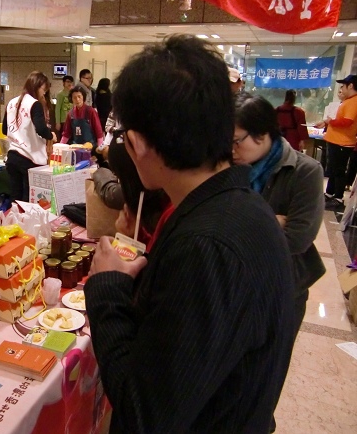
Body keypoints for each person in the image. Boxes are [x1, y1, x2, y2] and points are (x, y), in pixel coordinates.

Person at [85, 35, 295, 433]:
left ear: (137, 144)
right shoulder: (242, 206)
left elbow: (144, 413)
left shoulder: (206, 245)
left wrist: (108, 288)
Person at [233, 93, 325, 341]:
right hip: (234, 284)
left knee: (268, 367)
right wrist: (273, 220)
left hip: (282, 288)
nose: (230, 151)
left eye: (236, 142)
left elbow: (297, 238)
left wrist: (239, 224)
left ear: (262, 135)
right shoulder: (229, 166)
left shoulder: (305, 172)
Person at [2, 71, 57, 202]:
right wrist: (52, 136)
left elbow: (5, 129)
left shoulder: (12, 102)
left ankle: (13, 222)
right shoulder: (34, 104)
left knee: (15, 199)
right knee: (27, 202)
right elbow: (41, 129)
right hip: (29, 159)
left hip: (12, 157)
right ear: (36, 86)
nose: (44, 93)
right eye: (43, 89)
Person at [315, 74, 357, 210]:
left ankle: (338, 198)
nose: (341, 89)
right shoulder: (348, 101)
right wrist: (326, 123)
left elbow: (347, 121)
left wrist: (330, 121)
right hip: (336, 141)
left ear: (350, 86)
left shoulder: (354, 102)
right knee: (333, 169)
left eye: (343, 86)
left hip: (342, 143)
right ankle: (329, 193)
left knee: (339, 170)